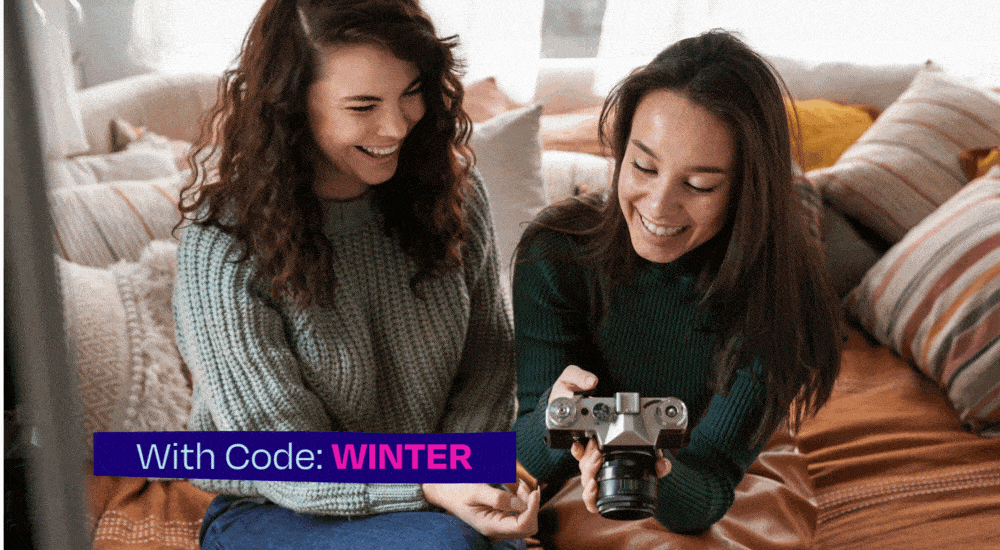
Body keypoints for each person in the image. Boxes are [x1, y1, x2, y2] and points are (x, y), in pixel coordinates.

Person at [172, 0, 539, 548]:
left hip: (438, 498)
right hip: (279, 505)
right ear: (292, 106)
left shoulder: (456, 196)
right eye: (363, 106)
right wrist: (431, 481)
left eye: (411, 92)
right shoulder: (224, 244)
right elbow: (281, 451)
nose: (396, 126)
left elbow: (487, 367)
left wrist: (463, 477)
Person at [512, 30, 844, 534]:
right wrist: (559, 419)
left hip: (720, 469)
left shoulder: (779, 297)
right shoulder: (556, 251)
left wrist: (654, 470)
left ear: (746, 190)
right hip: (577, 468)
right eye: (643, 166)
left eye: (699, 185)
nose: (658, 208)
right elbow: (523, 459)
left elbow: (710, 484)